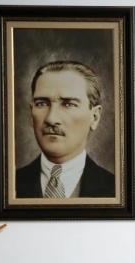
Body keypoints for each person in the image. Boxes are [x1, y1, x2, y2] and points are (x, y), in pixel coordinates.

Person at [16, 61, 115, 198]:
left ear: (94, 117)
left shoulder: (116, 190)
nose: (51, 118)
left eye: (69, 104)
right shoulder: (9, 186)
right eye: (42, 104)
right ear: (31, 114)